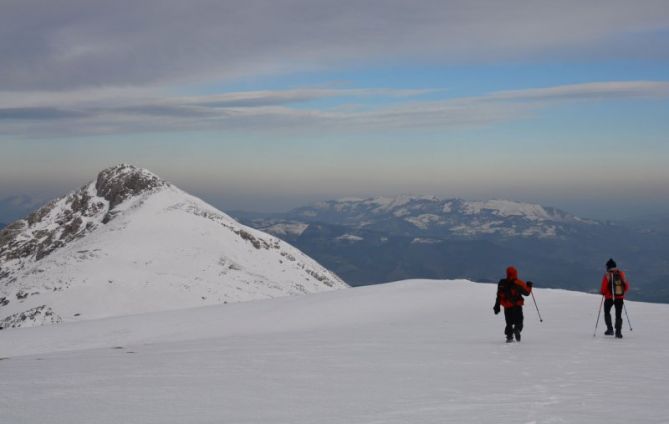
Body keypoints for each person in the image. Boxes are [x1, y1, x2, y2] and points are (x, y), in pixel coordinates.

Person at [493, 266, 533, 343]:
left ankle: (509, 338)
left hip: (507, 307)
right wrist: (529, 286)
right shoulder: (518, 283)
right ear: (515, 273)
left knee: (509, 323)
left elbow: (499, 295)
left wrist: (497, 305)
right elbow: (527, 293)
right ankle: (517, 329)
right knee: (519, 322)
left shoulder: (502, 283)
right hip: (517, 306)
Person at [600, 258, 630, 338]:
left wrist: (604, 293)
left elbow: (603, 289)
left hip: (609, 298)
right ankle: (618, 332)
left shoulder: (607, 275)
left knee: (607, 312)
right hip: (619, 298)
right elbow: (626, 287)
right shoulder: (621, 274)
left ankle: (610, 330)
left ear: (608, 267)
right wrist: (621, 294)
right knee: (618, 315)